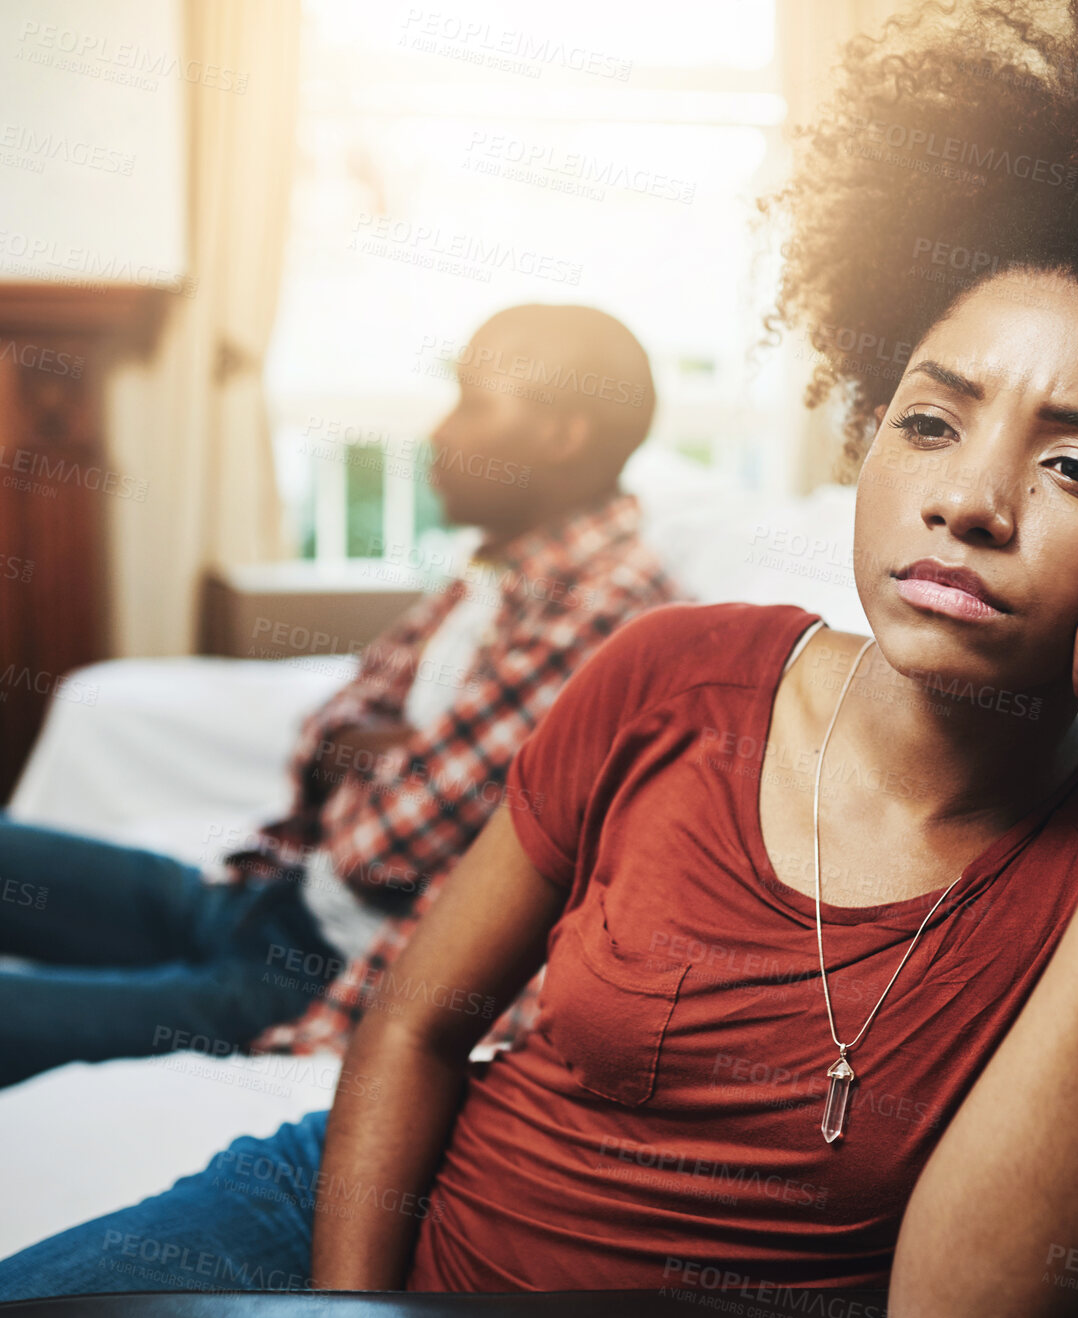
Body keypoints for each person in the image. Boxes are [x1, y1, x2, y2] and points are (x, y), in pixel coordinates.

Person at [4, 1, 1078, 1318]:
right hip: (332, 1237)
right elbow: (416, 1020)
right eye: (928, 420)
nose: (967, 500)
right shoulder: (672, 670)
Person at [0, 303, 686, 1088]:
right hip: (263, 897)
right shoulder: (505, 568)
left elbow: (381, 846)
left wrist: (377, 758)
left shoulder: (603, 610)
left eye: (473, 402)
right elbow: (326, 728)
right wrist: (375, 754)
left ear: (562, 435)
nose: (440, 433)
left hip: (312, 976)